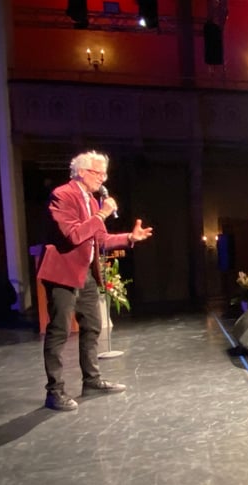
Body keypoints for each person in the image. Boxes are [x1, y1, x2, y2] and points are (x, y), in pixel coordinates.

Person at [37, 151, 154, 411]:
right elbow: (74, 235)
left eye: (105, 174)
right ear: (81, 172)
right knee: (59, 332)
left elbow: (100, 239)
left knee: (93, 326)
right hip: (62, 274)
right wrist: (102, 214)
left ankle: (92, 380)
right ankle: (54, 391)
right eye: (98, 173)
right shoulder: (62, 195)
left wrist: (130, 238)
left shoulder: (91, 201)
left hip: (85, 273)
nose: (103, 179)